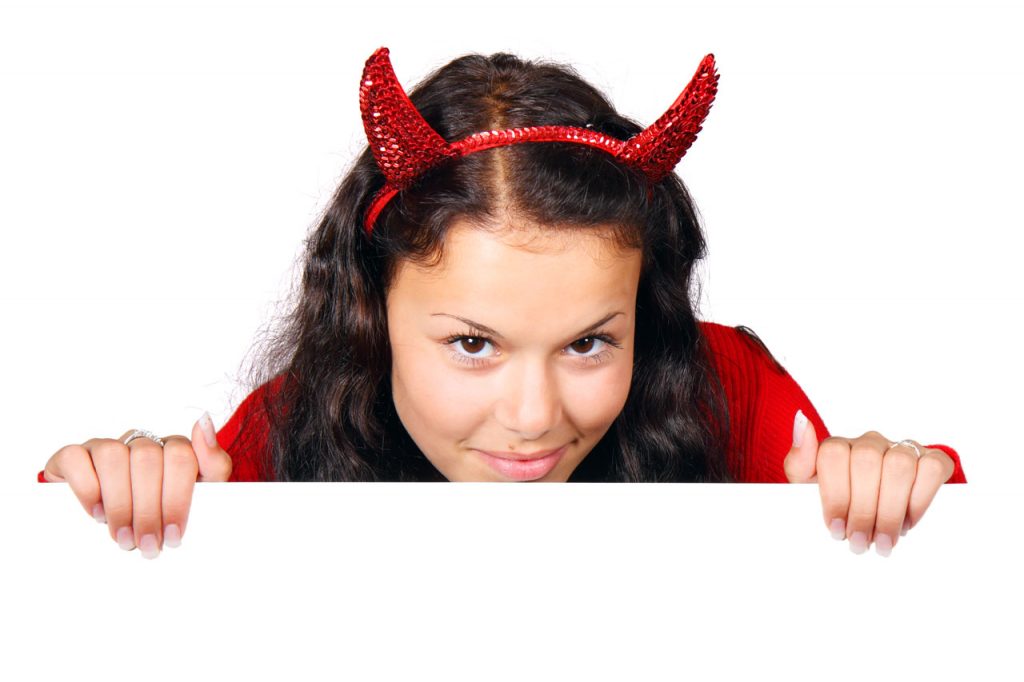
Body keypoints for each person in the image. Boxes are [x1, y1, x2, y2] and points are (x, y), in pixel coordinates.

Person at [37, 46, 967, 561]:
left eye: (591, 344)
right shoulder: (292, 424)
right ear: (374, 310)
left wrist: (893, 486)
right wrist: (120, 490)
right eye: (474, 344)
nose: (533, 420)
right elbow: (69, 571)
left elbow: (947, 569)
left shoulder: (727, 389)